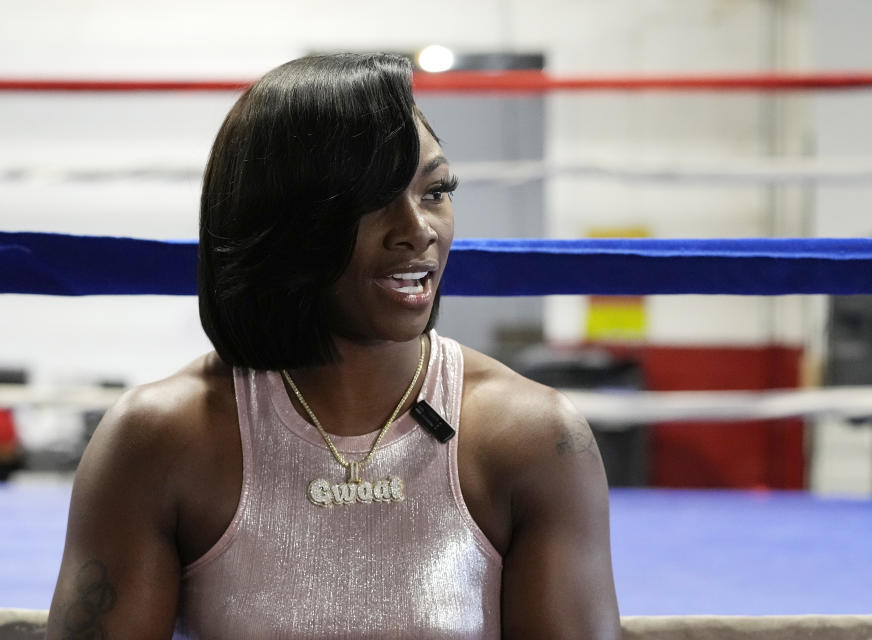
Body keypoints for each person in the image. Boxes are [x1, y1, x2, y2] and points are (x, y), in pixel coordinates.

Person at [46, 53, 620, 639]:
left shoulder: (531, 437)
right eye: (373, 199)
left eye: (435, 191)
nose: (418, 229)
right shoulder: (161, 439)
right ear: (283, 218)